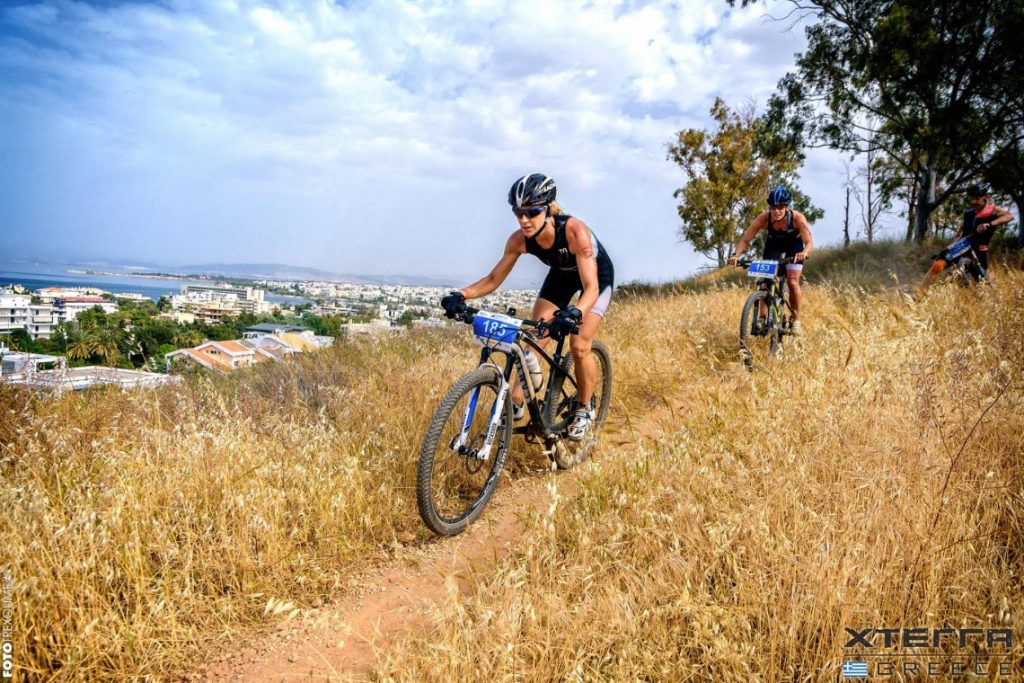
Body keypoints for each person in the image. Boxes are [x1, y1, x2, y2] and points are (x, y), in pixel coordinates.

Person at [439, 173, 614, 440]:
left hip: (596, 279)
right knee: (533, 341)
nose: (524, 219)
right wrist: (461, 295)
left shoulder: (574, 230)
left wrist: (576, 312)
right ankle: (519, 401)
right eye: (518, 212)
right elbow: (493, 279)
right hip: (562, 277)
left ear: (549, 208)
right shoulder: (519, 240)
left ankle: (583, 407)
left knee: (579, 345)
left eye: (532, 212)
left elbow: (590, 287)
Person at [727, 186, 814, 335]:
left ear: (786, 206)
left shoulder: (798, 218)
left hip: (794, 247)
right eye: (773, 207)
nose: (776, 211)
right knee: (766, 281)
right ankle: (762, 318)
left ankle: (796, 320)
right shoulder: (764, 218)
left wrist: (804, 253)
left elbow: (809, 242)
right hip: (774, 245)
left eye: (780, 207)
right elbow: (746, 239)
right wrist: (735, 255)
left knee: (792, 281)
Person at [920, 182, 1014, 290]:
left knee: (981, 281)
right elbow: (963, 229)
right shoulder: (969, 212)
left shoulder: (992, 210)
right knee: (937, 265)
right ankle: (920, 293)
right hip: (963, 245)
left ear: (986, 197)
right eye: (972, 198)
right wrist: (953, 243)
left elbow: (1009, 216)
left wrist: (990, 224)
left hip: (979, 249)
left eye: (977, 198)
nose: (973, 201)